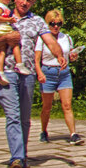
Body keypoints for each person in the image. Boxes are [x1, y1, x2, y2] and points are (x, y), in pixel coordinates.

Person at [0, 0, 66, 168]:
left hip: (27, 74)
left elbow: (50, 41)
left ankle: (21, 154)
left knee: (25, 118)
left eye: (29, 0)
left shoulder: (36, 21)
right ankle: (17, 158)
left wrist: (59, 55)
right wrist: (7, 39)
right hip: (7, 73)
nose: (24, 2)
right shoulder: (2, 15)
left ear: (33, 2)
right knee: (13, 115)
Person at [34, 9, 82, 145]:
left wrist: (73, 56)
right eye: (52, 23)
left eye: (58, 23)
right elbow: (36, 59)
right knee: (47, 106)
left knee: (67, 105)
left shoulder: (66, 38)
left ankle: (73, 134)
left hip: (63, 73)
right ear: (47, 24)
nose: (56, 26)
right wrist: (39, 73)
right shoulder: (42, 38)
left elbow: (70, 56)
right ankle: (44, 130)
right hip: (48, 72)